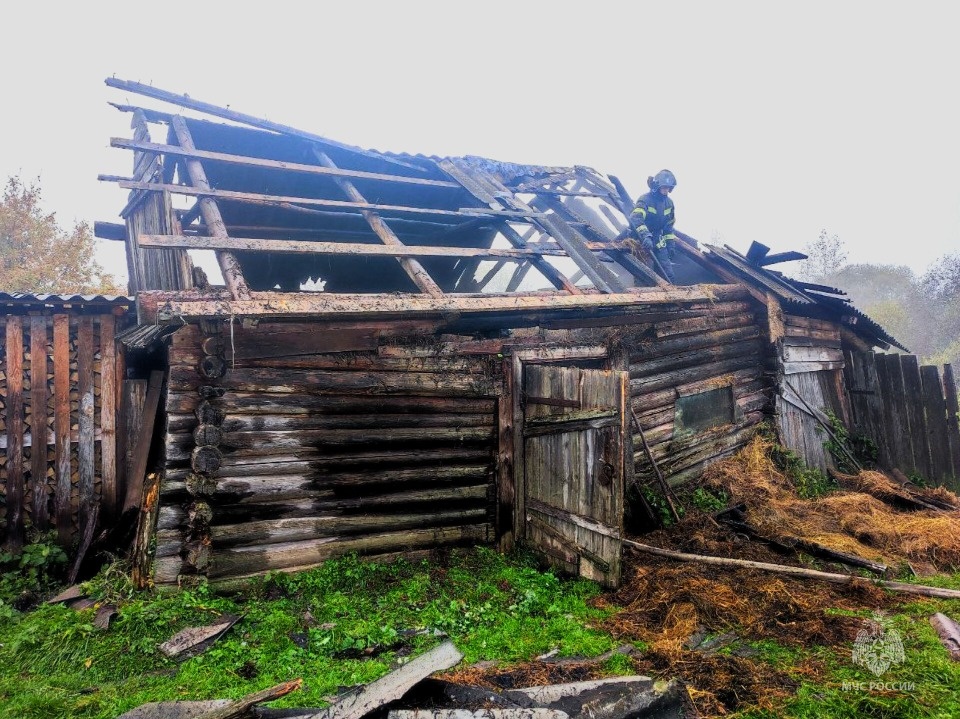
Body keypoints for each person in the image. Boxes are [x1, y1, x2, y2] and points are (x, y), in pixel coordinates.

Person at [628, 169, 679, 283]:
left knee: (668, 275)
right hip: (640, 239)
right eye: (664, 187)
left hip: (657, 240)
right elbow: (636, 218)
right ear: (656, 186)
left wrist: (670, 245)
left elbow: (669, 227)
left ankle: (669, 299)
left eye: (668, 188)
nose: (666, 190)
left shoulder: (669, 203)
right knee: (642, 274)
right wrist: (646, 236)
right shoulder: (645, 199)